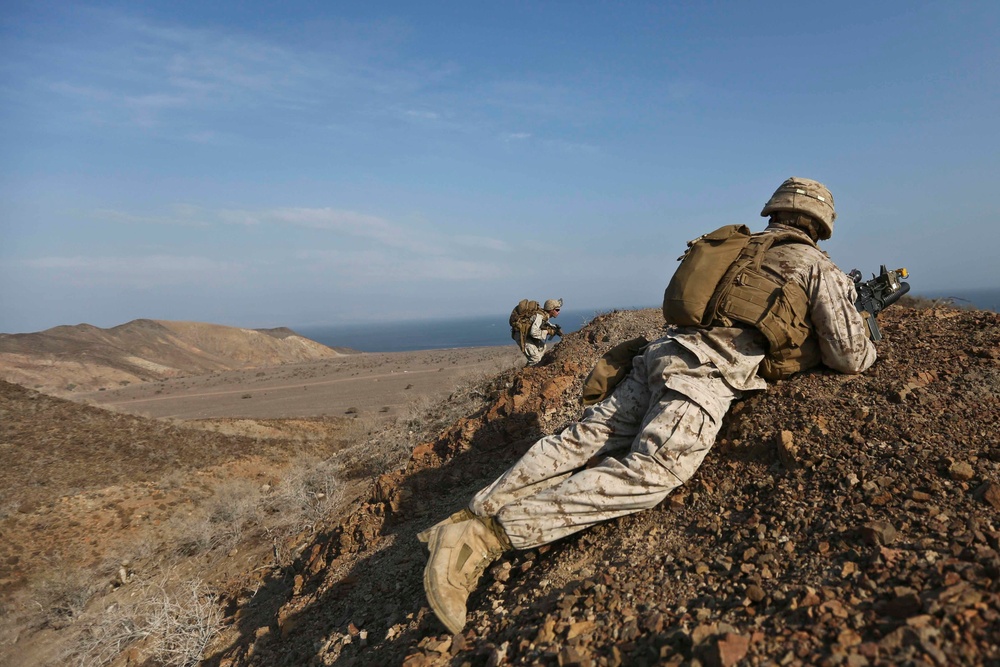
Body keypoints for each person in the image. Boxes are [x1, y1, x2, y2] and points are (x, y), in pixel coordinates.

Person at [420, 177, 877, 635]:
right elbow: (849, 356)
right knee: (653, 472)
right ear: (821, 224)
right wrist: (869, 331)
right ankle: (482, 539)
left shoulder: (740, 247)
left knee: (584, 438)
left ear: (774, 211)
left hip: (660, 354)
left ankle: (472, 513)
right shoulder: (817, 267)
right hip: (705, 373)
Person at [521, 298, 563, 366]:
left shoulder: (544, 315)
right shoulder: (540, 316)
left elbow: (545, 323)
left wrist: (554, 329)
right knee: (535, 358)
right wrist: (547, 332)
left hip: (528, 335)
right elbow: (533, 332)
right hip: (523, 336)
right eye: (557, 310)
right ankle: (529, 373)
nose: (559, 312)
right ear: (551, 310)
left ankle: (528, 369)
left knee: (542, 348)